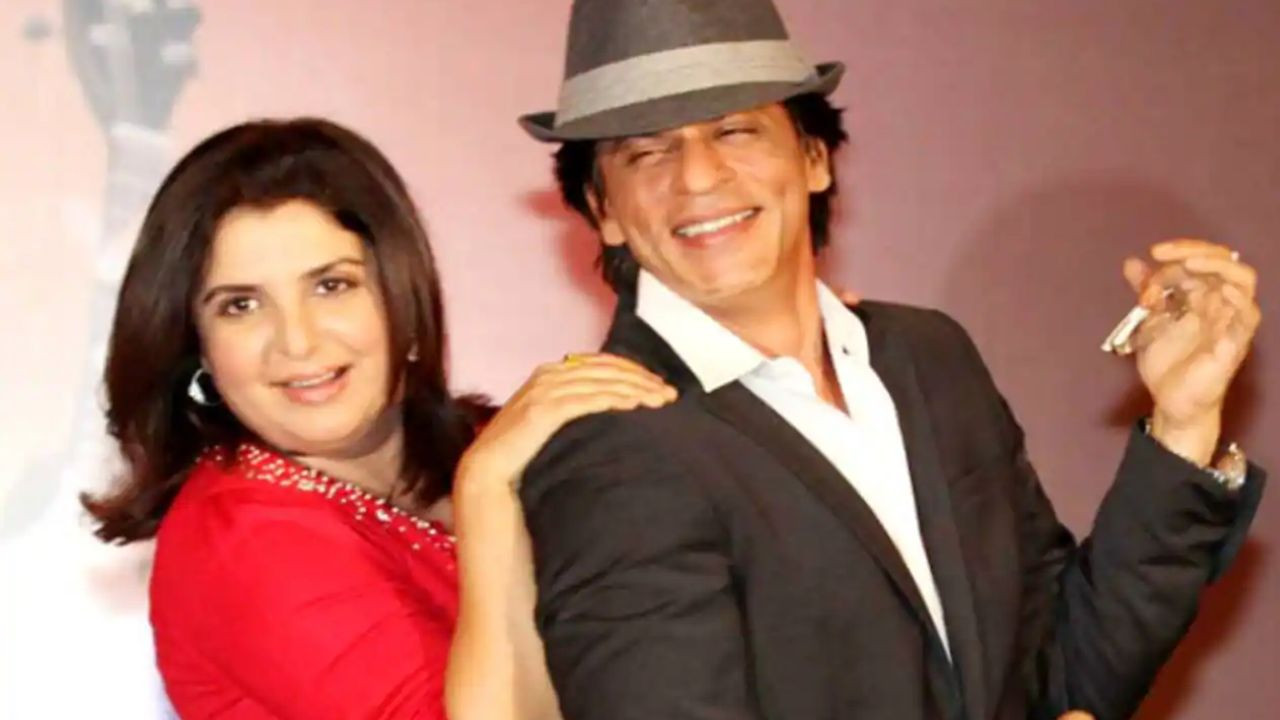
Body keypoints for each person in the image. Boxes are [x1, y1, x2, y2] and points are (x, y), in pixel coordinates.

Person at [515, 1, 1266, 719]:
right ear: (604, 210)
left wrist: (1184, 423)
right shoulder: (611, 446)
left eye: (735, 131)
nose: (699, 177)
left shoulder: (929, 357)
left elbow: (1062, 677)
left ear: (814, 158)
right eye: (647, 152)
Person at [82, 117, 676, 719]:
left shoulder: (489, 445)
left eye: (331, 286)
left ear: (402, 295)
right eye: (241, 305)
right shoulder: (241, 542)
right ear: (199, 348)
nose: (298, 341)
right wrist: (486, 494)